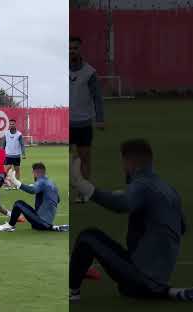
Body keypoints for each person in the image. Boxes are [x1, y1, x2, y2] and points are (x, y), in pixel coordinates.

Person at [69, 139, 193, 302]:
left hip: (140, 276)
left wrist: (83, 185)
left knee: (88, 237)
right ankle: (168, 292)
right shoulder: (168, 188)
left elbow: (121, 205)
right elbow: (182, 227)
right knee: (126, 288)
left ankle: (73, 293)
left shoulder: (141, 185)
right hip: (159, 277)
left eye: (122, 163)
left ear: (129, 163)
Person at [69, 36, 105, 203]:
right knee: (67, 160)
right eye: (69, 48)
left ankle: (83, 192)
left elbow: (97, 97)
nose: (72, 51)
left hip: (83, 123)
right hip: (66, 123)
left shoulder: (89, 72)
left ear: (80, 50)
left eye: (75, 48)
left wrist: (100, 118)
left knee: (84, 159)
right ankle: (70, 189)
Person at [0, 162, 68, 232]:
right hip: (47, 222)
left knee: (18, 204)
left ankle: (10, 226)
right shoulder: (51, 183)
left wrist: (15, 181)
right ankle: (50, 226)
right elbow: (57, 199)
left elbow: (32, 190)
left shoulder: (42, 182)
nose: (33, 175)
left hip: (40, 223)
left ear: (35, 173)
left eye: (33, 173)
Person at [1, 119, 26, 189]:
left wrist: (23, 154)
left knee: (17, 170)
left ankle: (16, 184)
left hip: (16, 155)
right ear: (9, 125)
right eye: (10, 124)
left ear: (15, 125)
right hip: (8, 155)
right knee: (6, 170)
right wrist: (1, 153)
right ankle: (5, 183)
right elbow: (3, 144)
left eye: (13, 124)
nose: (11, 125)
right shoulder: (6, 133)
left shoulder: (19, 134)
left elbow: (22, 145)